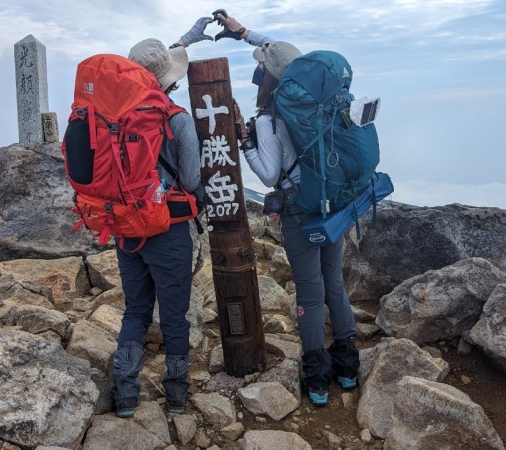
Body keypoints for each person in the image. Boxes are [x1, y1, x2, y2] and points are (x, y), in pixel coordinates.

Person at [214, 11, 360, 406]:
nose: (255, 77)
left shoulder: (269, 118)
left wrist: (245, 142)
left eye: (259, 72)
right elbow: (283, 54)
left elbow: (267, 175)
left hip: (299, 214)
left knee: (310, 295)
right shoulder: (321, 104)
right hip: (334, 206)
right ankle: (347, 369)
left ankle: (316, 379)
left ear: (266, 78)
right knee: (335, 287)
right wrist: (243, 33)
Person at [111, 18, 213, 418]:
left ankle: (125, 394)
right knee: (174, 314)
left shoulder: (112, 118)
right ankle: (175, 396)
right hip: (167, 229)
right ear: (168, 79)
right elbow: (190, 179)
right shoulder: (177, 119)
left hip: (125, 229)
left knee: (135, 310)